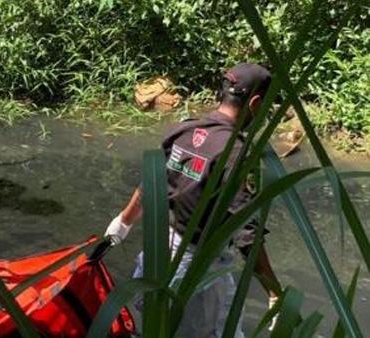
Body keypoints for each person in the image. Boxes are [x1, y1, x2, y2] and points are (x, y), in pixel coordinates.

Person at [103, 63, 283, 337]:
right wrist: (274, 292)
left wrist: (123, 224)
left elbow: (152, 185)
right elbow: (246, 231)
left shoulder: (182, 130)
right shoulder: (235, 154)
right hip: (198, 269)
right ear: (256, 103)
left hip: (157, 252)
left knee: (154, 326)